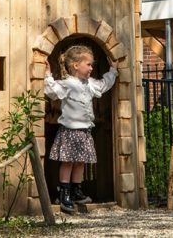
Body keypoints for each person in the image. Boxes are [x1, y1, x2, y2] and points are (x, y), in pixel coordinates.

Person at [44, 45, 118, 213]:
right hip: (70, 131)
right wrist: (47, 75)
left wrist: (113, 71)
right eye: (88, 64)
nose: (91, 68)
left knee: (80, 163)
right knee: (68, 162)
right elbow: (52, 91)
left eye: (92, 65)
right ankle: (64, 192)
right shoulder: (68, 84)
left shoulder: (90, 84)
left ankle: (76, 190)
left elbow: (103, 85)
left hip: (85, 132)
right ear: (76, 65)